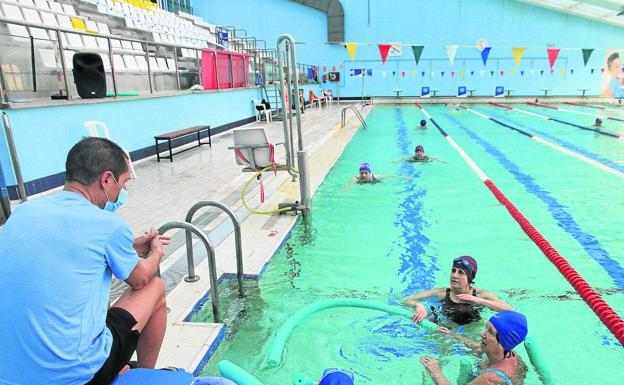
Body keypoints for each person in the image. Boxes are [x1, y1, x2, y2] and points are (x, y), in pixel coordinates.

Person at [0, 137, 169, 385]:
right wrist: (155, 252)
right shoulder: (108, 225)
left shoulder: (23, 213)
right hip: (73, 376)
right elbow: (140, 277)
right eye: (123, 183)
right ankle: (144, 376)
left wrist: (131, 244)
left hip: (9, 373)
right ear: (107, 180)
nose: (123, 192)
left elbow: (69, 244)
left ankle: (118, 364)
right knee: (155, 288)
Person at [420, 310, 528, 385]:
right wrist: (453, 335)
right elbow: (476, 345)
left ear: (502, 343)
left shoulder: (491, 378)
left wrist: (435, 371)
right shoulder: (507, 352)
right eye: (486, 327)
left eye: (490, 332)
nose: (482, 334)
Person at [403, 256, 512, 325]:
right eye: (453, 271)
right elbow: (405, 300)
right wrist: (418, 306)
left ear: (469, 278)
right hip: (447, 326)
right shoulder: (442, 292)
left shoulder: (481, 295)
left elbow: (511, 311)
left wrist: (480, 301)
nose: (454, 276)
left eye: (461, 273)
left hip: (472, 327)